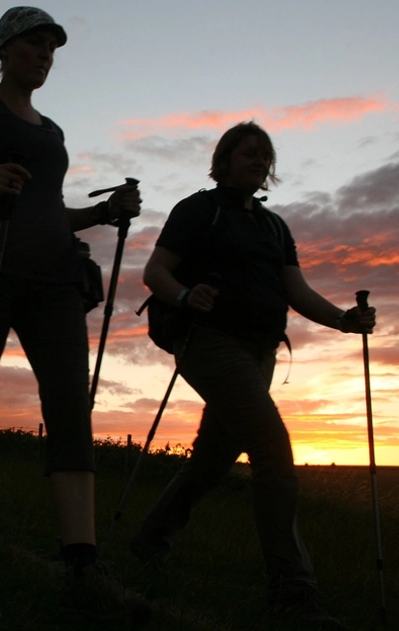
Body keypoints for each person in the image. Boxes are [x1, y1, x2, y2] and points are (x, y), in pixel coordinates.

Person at [0, 6, 150, 625]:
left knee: (70, 406)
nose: (45, 55)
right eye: (35, 44)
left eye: (52, 49)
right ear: (6, 48)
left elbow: (50, 209)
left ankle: (83, 566)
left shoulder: (53, 131)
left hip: (54, 280)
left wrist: (103, 214)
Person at [130, 121, 376, 629]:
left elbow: (296, 291)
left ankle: (148, 544)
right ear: (223, 160)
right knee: (271, 449)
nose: (259, 161)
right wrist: (183, 296)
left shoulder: (274, 227)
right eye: (249, 153)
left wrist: (343, 320)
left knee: (212, 462)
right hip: (209, 344)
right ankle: (293, 595)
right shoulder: (198, 210)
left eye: (265, 156)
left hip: (261, 352)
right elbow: (155, 272)